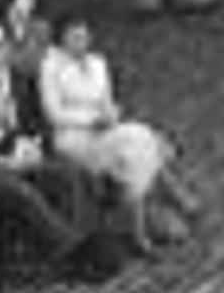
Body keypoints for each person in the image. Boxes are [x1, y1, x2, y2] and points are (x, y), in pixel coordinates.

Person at [37, 14, 198, 249]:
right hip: (73, 139)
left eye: (84, 36)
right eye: (74, 38)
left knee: (136, 145)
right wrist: (91, 120)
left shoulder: (98, 63)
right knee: (142, 137)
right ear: (61, 40)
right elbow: (54, 114)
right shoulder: (51, 68)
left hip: (106, 132)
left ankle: (140, 229)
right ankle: (173, 201)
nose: (81, 42)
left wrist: (110, 114)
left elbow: (107, 101)